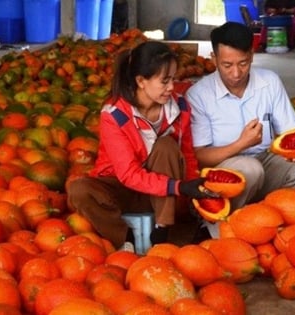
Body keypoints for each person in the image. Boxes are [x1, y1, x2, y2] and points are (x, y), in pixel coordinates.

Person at [66, 41, 218, 251]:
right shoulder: (114, 115)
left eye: (173, 79)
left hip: (162, 195)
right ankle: (124, 237)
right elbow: (128, 174)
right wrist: (178, 186)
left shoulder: (180, 107)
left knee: (166, 145)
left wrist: (194, 189)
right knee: (79, 190)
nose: (171, 87)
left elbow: (187, 153)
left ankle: (161, 230)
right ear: (141, 81)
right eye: (164, 81)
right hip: (122, 188)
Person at [186, 22, 295, 240]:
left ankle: (273, 219)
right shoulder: (198, 95)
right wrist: (241, 144)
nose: (236, 73)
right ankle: (220, 227)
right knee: (249, 168)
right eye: (227, 65)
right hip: (226, 169)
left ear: (252, 55)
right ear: (214, 59)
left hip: (267, 162)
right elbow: (200, 157)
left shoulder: (269, 81)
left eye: (243, 63)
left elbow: (292, 131)